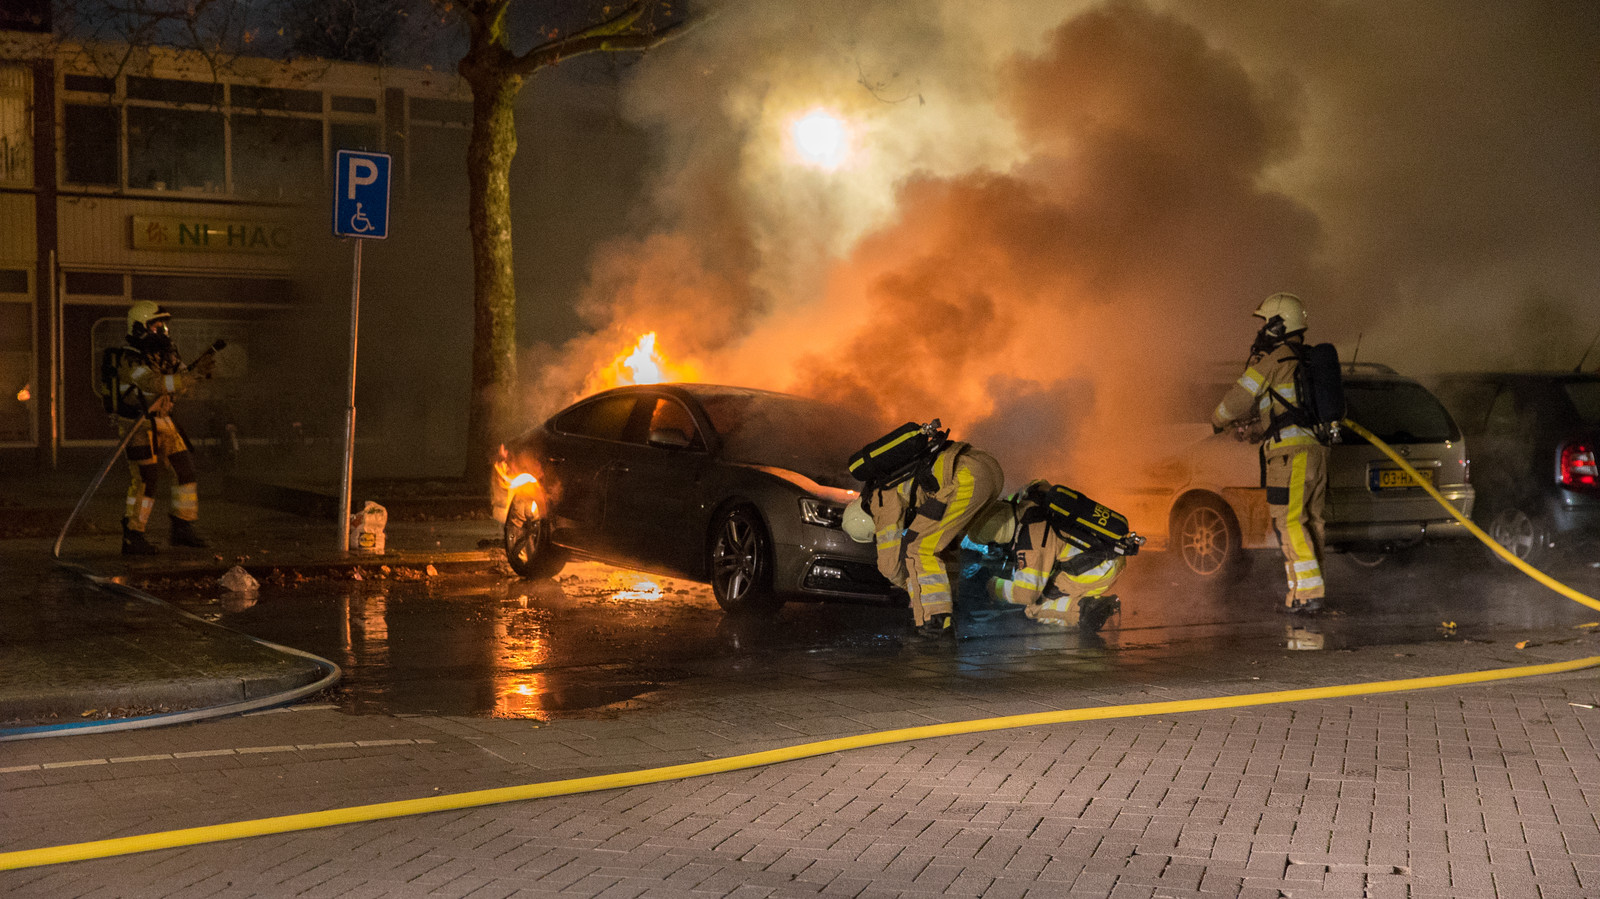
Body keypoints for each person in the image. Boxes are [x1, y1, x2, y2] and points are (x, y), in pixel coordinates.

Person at [1211, 292, 1327, 613]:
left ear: (1279, 324)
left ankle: (1308, 595)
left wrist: (1216, 420)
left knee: (1288, 522)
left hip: (1290, 455)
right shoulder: (1305, 359)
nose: (1261, 330)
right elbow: (1287, 411)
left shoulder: (1274, 361)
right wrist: (1256, 431)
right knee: (1311, 522)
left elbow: (1236, 399)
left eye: (1265, 323)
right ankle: (1307, 593)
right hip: (1315, 452)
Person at [843, 421, 1003, 638]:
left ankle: (934, 621)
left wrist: (914, 587)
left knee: (916, 547)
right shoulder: (885, 482)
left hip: (967, 476)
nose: (877, 535)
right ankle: (948, 608)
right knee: (943, 547)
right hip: (987, 468)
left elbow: (889, 566)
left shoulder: (879, 499)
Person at [107, 301, 217, 554]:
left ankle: (182, 527)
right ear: (139, 327)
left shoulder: (166, 354)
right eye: (157, 326)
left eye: (163, 326)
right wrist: (190, 376)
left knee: (185, 471)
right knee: (147, 479)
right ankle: (133, 535)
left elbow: (180, 381)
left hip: (164, 420)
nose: (163, 331)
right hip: (137, 425)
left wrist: (199, 372)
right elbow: (156, 383)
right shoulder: (129, 358)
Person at [967, 480, 1134, 634]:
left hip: (1097, 573)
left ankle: (1085, 610)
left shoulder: (1031, 543)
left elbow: (1025, 594)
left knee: (1032, 607)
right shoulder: (1028, 499)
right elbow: (1041, 483)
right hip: (1108, 550)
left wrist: (990, 584)